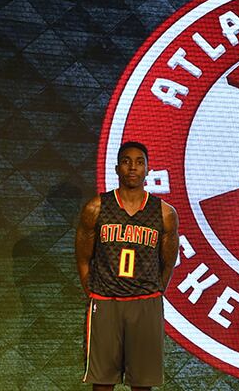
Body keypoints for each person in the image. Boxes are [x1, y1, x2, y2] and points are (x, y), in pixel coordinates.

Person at [75, 141, 180, 391]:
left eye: (139, 162)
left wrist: (154, 291)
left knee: (142, 384)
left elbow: (168, 262)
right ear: (116, 168)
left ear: (147, 170)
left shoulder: (164, 213)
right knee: (102, 382)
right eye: (126, 161)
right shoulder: (96, 208)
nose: (133, 167)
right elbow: (83, 258)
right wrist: (94, 292)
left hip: (145, 303)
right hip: (106, 302)